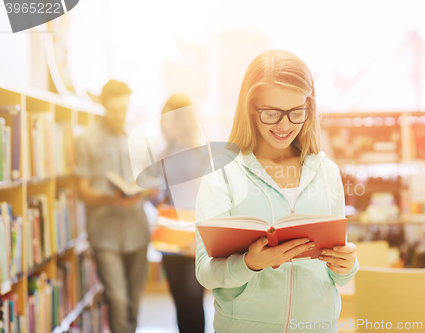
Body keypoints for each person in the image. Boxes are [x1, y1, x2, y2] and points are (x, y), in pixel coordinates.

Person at [194, 50, 359, 333]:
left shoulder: (326, 171)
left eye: (296, 112)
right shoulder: (222, 172)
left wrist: (347, 265)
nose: (285, 126)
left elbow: (339, 275)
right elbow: (205, 272)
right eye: (271, 113)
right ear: (250, 108)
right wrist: (249, 263)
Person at [74, 79, 150, 333]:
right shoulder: (86, 139)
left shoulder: (136, 138)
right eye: (114, 110)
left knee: (134, 304)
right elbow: (81, 188)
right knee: (117, 300)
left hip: (137, 231)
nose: (120, 116)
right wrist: (111, 199)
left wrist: (143, 188)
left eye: (124, 110)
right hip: (104, 233)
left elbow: (147, 178)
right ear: (103, 106)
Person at [156, 94, 205, 333]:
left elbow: (207, 199)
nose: (166, 124)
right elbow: (163, 196)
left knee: (193, 298)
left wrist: (199, 238)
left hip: (194, 235)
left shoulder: (201, 153)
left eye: (171, 119)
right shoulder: (163, 153)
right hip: (170, 235)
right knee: (178, 299)